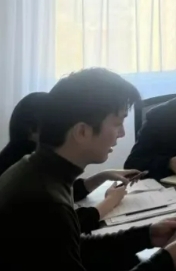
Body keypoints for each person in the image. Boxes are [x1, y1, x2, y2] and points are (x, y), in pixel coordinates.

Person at [0, 68, 176, 271]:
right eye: (117, 123)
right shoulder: (47, 201)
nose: (122, 133)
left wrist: (147, 236)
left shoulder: (34, 169)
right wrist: (166, 262)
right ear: (82, 131)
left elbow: (74, 248)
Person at [0, 92, 140, 232]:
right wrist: (110, 201)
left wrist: (103, 176)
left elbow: (65, 191)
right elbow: (66, 223)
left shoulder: (25, 161)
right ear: (32, 130)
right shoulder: (29, 173)